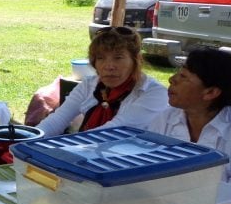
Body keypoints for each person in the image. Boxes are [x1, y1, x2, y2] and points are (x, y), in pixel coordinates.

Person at [37, 26, 167, 137]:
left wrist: (66, 147)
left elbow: (112, 132)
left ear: (136, 61)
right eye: (101, 58)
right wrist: (27, 138)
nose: (109, 66)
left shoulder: (153, 93)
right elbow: (57, 120)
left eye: (118, 58)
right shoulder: (90, 85)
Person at [148, 48, 231, 184]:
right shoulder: (165, 119)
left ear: (210, 92)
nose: (171, 79)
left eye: (183, 76)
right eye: (178, 73)